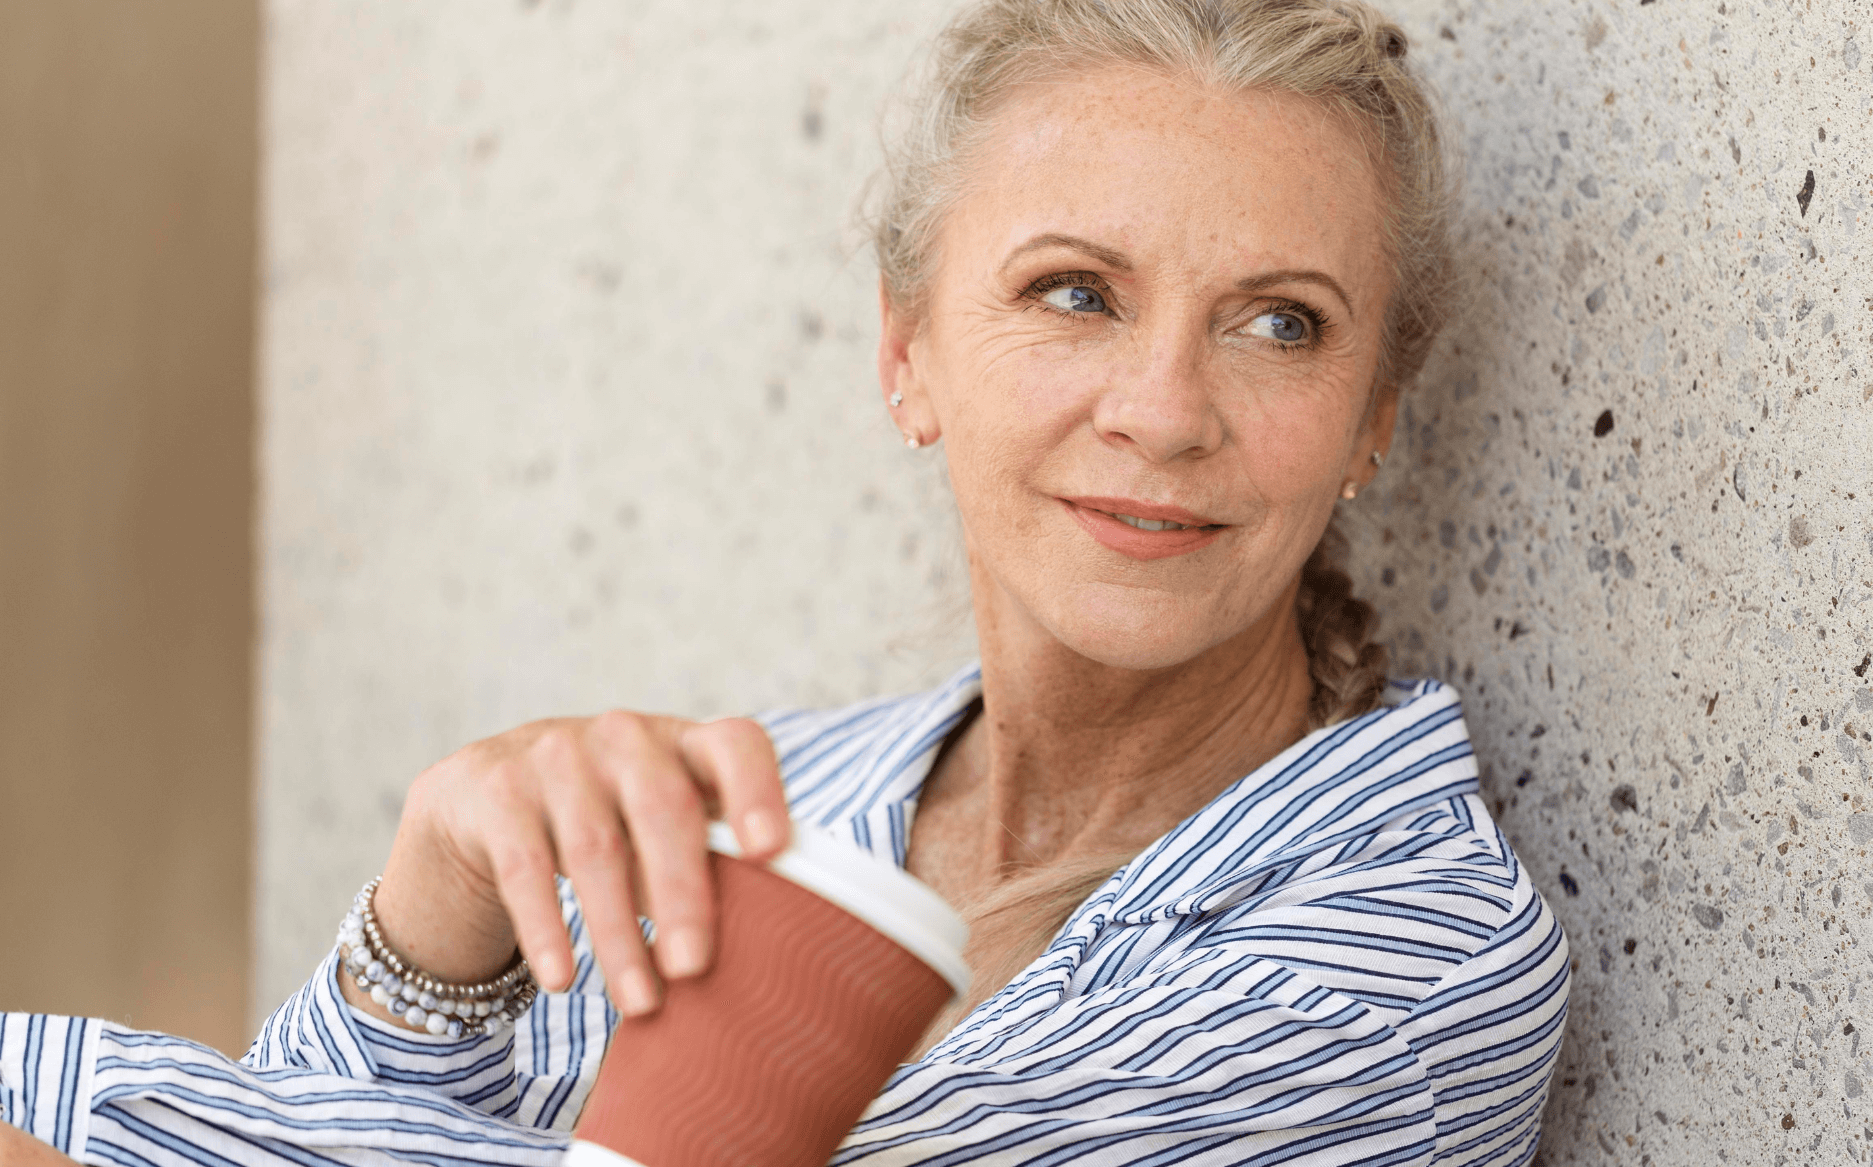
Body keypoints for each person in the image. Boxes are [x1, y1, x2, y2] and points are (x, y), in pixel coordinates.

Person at [1, 0, 1570, 1163]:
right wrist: (436, 924)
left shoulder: (1406, 963)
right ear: (908, 352)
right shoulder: (774, 798)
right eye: (1074, 292)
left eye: (1279, 321)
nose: (1164, 409)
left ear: (1372, 421)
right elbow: (318, 1125)